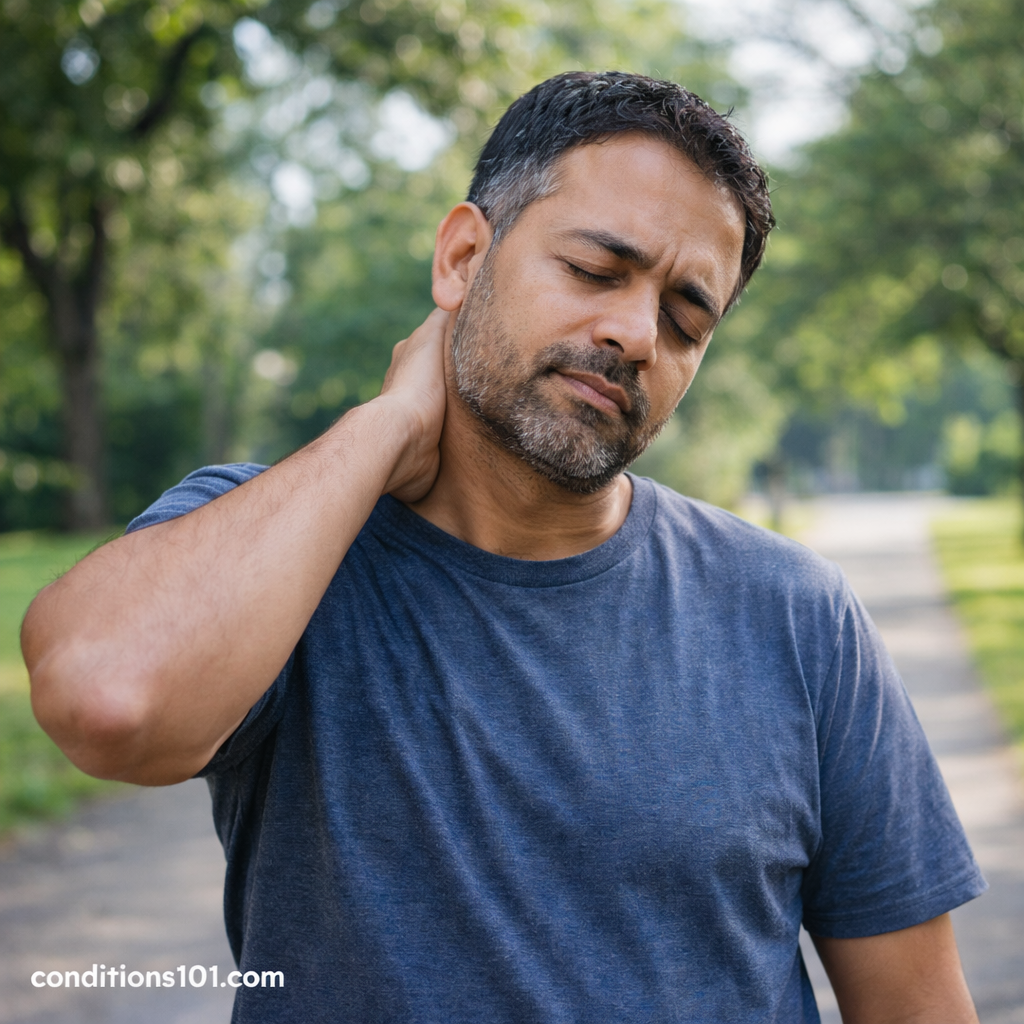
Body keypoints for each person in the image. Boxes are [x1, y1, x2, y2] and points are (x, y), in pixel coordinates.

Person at [24, 72, 985, 1024]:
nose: (635, 333)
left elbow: (917, 1008)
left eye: (686, 317)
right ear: (462, 258)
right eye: (595, 270)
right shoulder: (278, 542)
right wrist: (387, 425)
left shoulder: (796, 613)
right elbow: (109, 699)